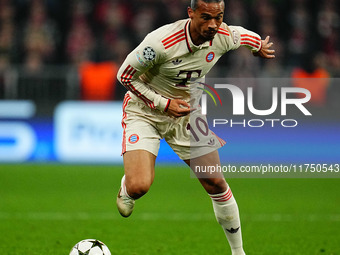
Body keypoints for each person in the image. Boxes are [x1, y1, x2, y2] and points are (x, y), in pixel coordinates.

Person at [116, 0, 275, 254]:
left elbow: (246, 36)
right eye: (205, 17)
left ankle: (238, 252)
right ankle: (127, 186)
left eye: (219, 17)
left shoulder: (224, 35)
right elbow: (124, 75)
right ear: (190, 13)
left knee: (216, 182)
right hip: (145, 111)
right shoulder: (160, 43)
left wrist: (258, 47)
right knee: (139, 187)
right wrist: (163, 103)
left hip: (187, 115)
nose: (213, 24)